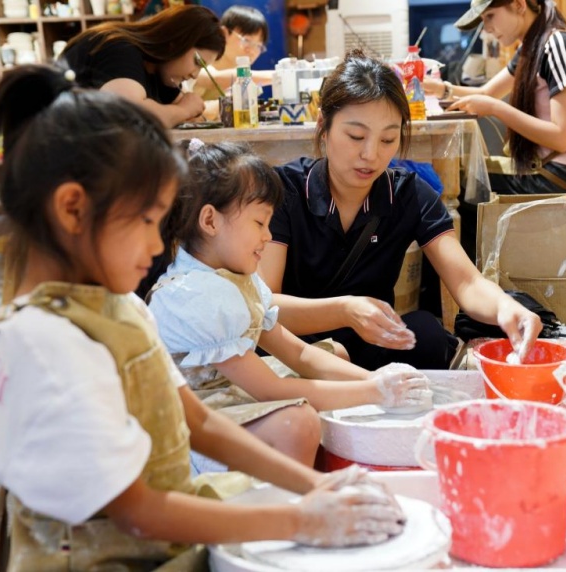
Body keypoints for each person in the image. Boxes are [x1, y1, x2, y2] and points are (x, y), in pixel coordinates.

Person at [0, 65, 406, 570]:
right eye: (145, 222)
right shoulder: (45, 345)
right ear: (73, 209)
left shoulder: (121, 305)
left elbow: (197, 421)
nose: (159, 245)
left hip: (158, 517)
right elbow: (141, 514)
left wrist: (317, 486)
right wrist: (301, 519)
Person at [144, 139, 433, 471]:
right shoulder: (195, 294)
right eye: (259, 223)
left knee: (333, 352)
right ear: (210, 221)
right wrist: (376, 393)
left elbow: (299, 353)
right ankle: (290, 502)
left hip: (232, 394)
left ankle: (315, 464)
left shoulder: (235, 275)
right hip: (198, 424)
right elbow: (271, 390)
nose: (268, 236)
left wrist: (378, 378)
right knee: (296, 422)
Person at [258, 51, 542, 371]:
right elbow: (265, 304)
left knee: (428, 334)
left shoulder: (408, 194)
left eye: (388, 139)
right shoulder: (285, 190)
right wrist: (345, 310)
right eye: (356, 136)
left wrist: (507, 307)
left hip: (371, 343)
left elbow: (467, 283)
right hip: (297, 344)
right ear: (324, 125)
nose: (371, 154)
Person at [424, 0, 566, 194]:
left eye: (490, 16)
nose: (487, 29)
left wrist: (494, 108)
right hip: (547, 172)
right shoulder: (533, 47)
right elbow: (486, 93)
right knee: (458, 177)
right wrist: (440, 89)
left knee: (455, 184)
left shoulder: (557, 46)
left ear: (519, 5)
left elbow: (561, 138)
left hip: (560, 178)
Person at [61, 5, 224, 128]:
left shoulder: (162, 73)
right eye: (197, 62)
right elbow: (129, 117)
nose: (195, 75)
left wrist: (187, 110)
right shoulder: (119, 48)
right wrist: (184, 110)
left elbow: (187, 115)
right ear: (176, 43)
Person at [195, 5, 274, 101]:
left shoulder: (246, 79)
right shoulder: (203, 62)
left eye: (258, 46)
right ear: (224, 33)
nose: (252, 51)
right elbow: (216, 79)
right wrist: (277, 75)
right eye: (247, 40)